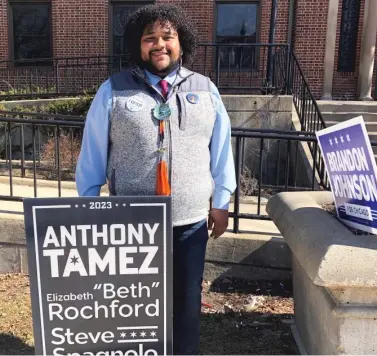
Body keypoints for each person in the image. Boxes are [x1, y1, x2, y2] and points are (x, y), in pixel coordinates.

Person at [75, 4, 236, 354]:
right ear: (137, 45)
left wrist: (221, 201)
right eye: (150, 38)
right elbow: (92, 152)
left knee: (186, 303)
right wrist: (87, 205)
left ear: (181, 42)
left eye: (168, 37)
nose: (159, 45)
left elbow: (221, 149)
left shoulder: (206, 89)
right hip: (130, 224)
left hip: (190, 221)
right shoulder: (113, 90)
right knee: (135, 306)